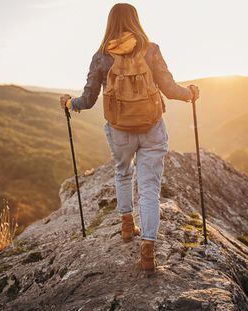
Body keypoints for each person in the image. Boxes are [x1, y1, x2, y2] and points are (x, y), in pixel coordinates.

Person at [60, 3, 199, 275]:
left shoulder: (101, 56)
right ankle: (147, 249)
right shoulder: (151, 49)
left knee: (123, 172)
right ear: (136, 20)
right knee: (149, 188)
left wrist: (69, 103)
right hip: (152, 127)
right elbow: (169, 89)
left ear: (110, 23)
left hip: (120, 129)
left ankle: (126, 225)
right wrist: (190, 93)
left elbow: (88, 100)